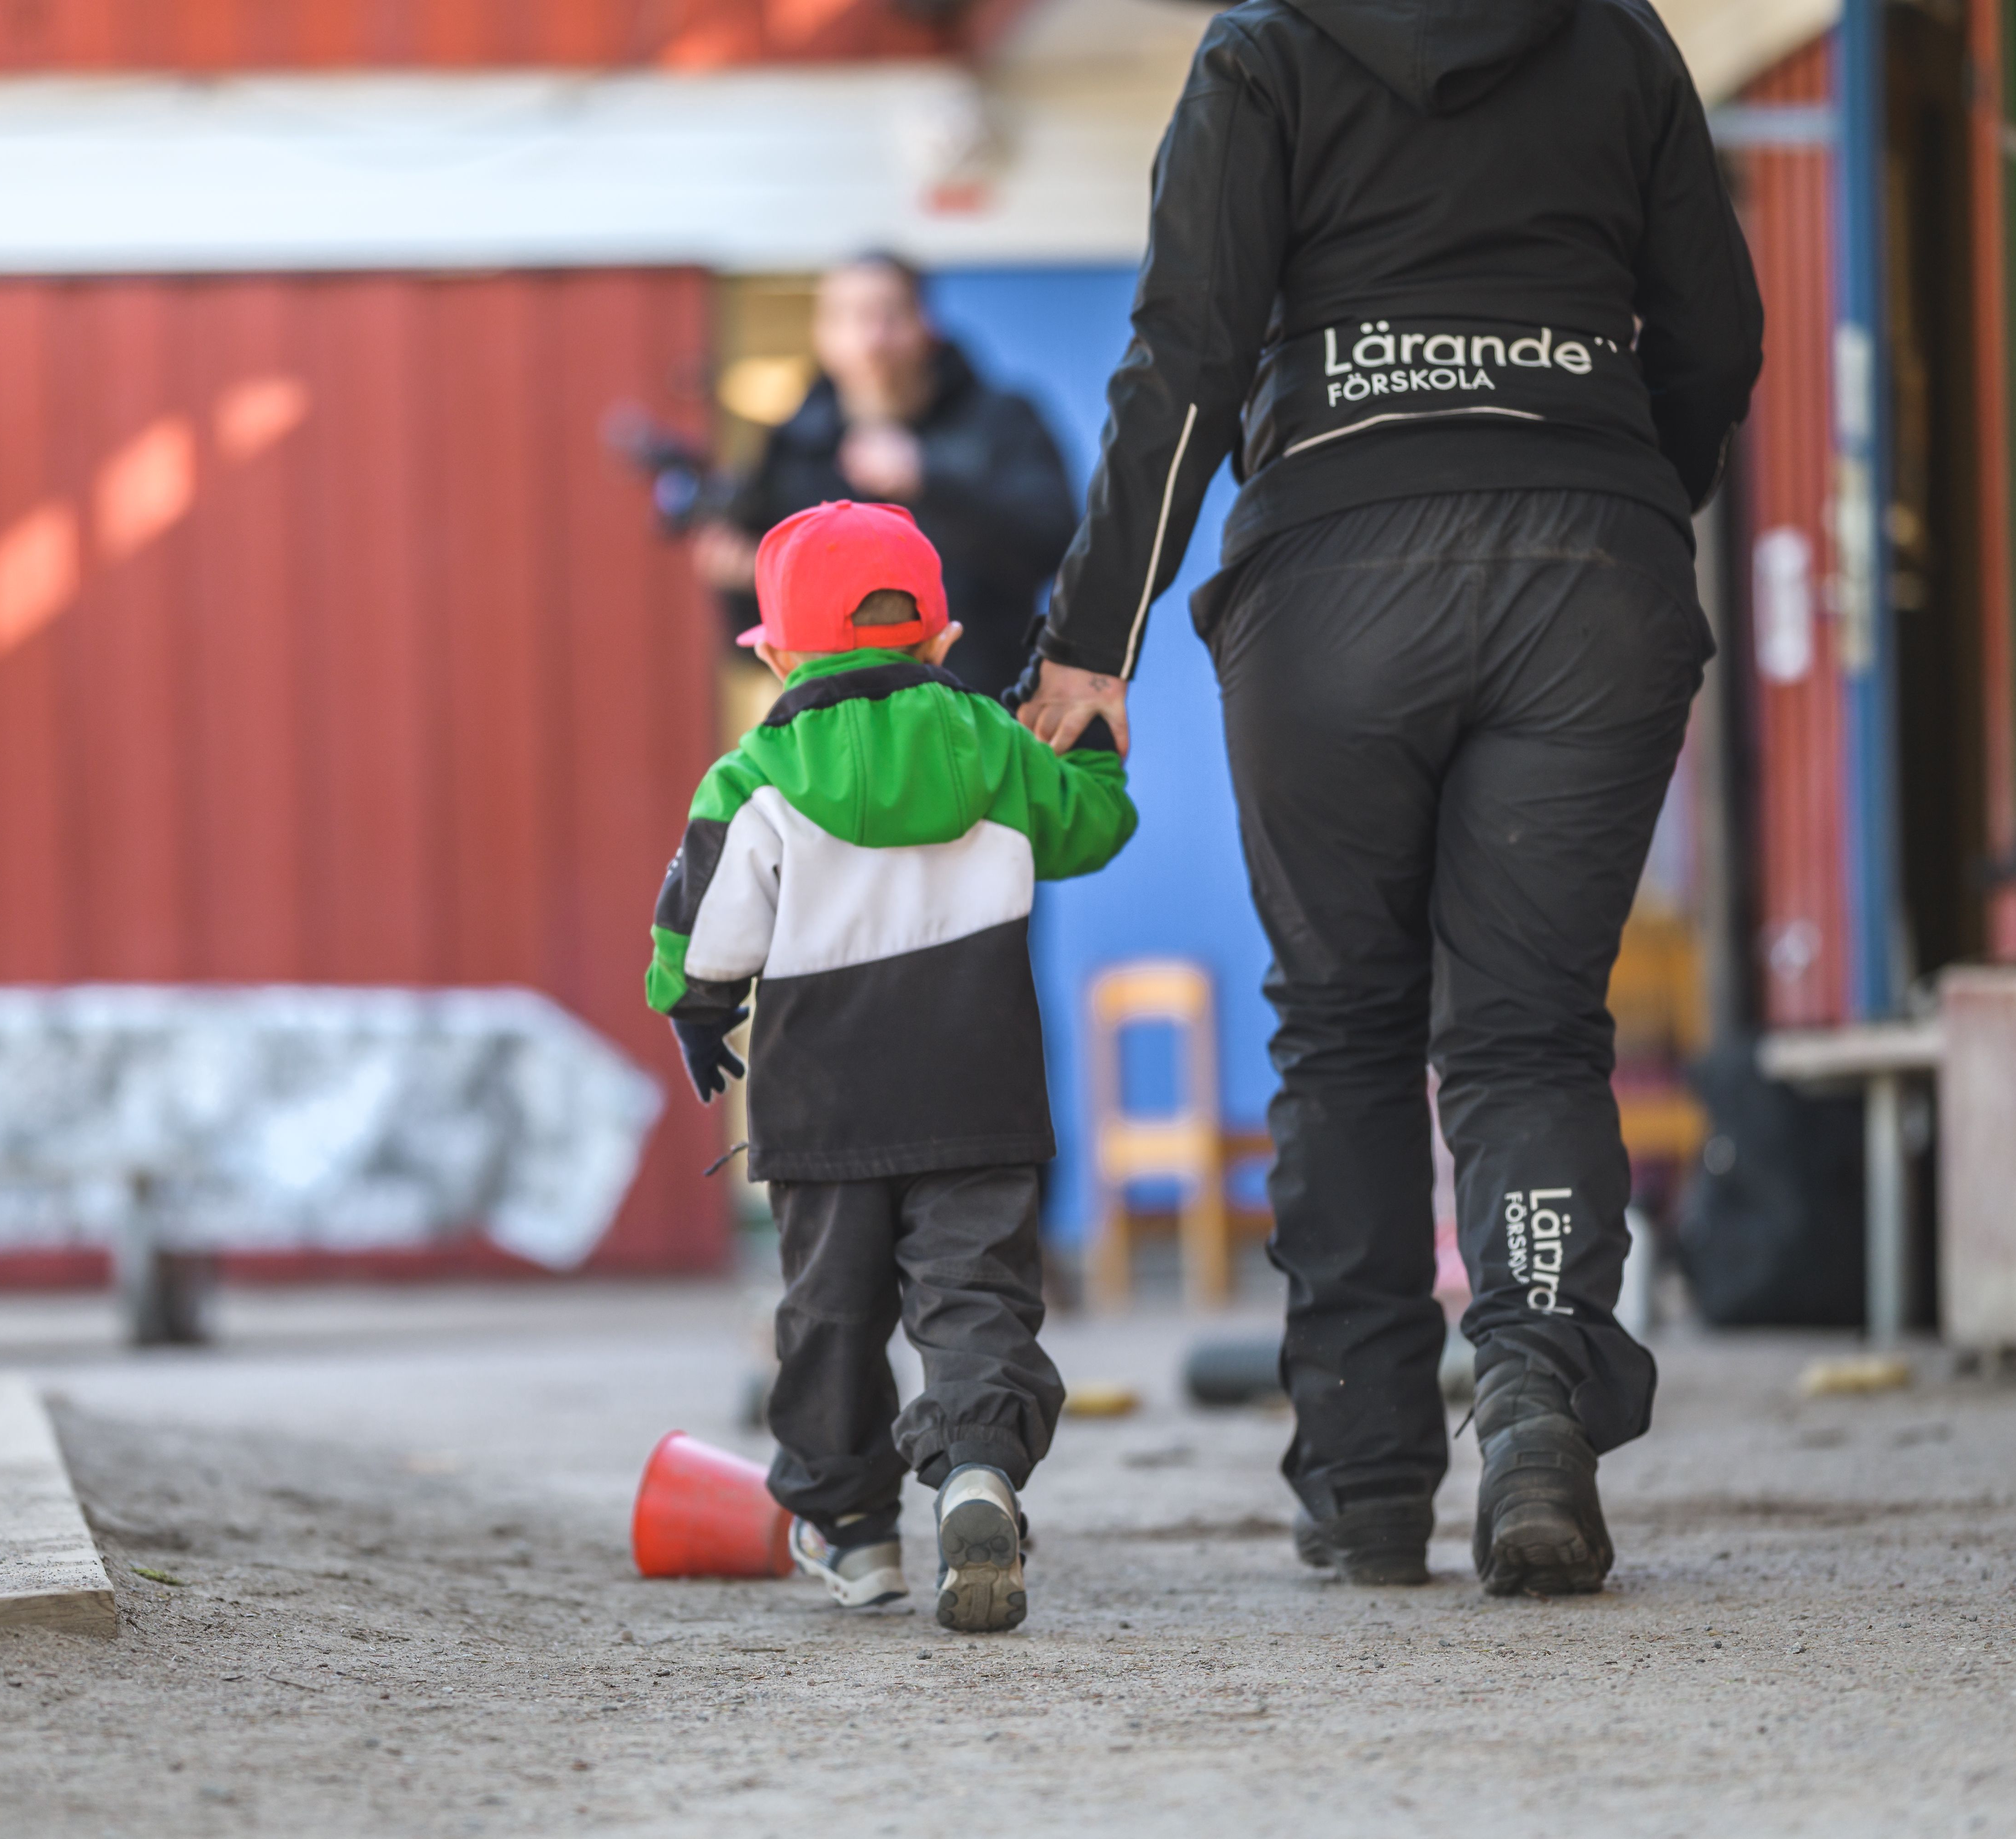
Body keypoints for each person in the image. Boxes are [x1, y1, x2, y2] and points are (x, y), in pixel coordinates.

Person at [1016, 0, 1762, 1596]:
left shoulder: (1264, 50)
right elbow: (1714, 332)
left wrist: (1091, 638)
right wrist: (1624, 488)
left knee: (1343, 1026)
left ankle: (1362, 1486)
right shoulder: (1615, 40)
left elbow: (1188, 352)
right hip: (1590, 571)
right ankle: (1536, 1400)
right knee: (1529, 1030)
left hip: (1333, 577)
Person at [647, 500, 1137, 1632]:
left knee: (828, 1313)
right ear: (942, 644)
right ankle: (977, 1469)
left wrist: (694, 1007)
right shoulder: (998, 747)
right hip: (981, 1093)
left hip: (828, 1108)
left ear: (773, 653)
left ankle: (854, 1529)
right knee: (977, 1301)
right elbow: (1092, 830)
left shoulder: (753, 773)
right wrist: (1099, 744)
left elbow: (703, 932)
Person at [693, 255, 1078, 699]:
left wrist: (928, 483)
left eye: (890, 316)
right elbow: (755, 648)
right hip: (847, 727)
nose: (871, 340)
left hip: (984, 711)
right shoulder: (794, 448)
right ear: (823, 335)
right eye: (851, 318)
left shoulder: (1000, 420)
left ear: (925, 325)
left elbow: (1054, 547)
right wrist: (738, 587)